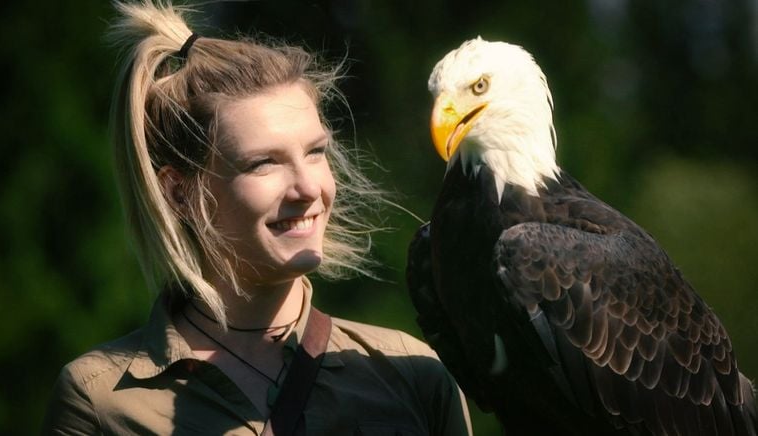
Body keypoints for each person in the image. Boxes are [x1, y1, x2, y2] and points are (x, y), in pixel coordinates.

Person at [41, 1, 472, 435]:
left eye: (315, 152)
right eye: (264, 163)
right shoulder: (100, 401)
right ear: (178, 193)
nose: (307, 189)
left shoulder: (413, 375)